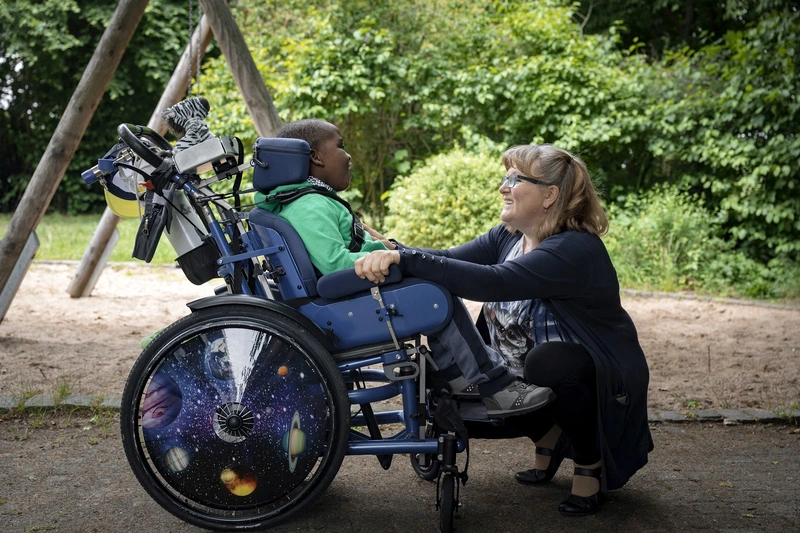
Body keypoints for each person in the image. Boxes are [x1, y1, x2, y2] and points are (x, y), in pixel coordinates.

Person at [355, 144, 653, 516]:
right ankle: (548, 433)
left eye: (515, 179)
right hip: (523, 372)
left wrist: (408, 259)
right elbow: (447, 259)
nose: (503, 187)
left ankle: (588, 460)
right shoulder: (508, 237)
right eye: (505, 177)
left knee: (548, 362)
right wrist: (391, 249)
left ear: (550, 195)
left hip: (591, 377)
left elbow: (494, 282)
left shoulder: (575, 249)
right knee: (456, 399)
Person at [254, 119, 553, 417]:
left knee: (435, 283)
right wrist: (387, 259)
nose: (348, 156)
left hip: (342, 302)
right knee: (435, 295)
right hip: (341, 308)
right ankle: (494, 386)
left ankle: (457, 378)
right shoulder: (310, 206)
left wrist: (395, 252)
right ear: (316, 157)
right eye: (341, 146)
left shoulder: (307, 201)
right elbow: (334, 266)